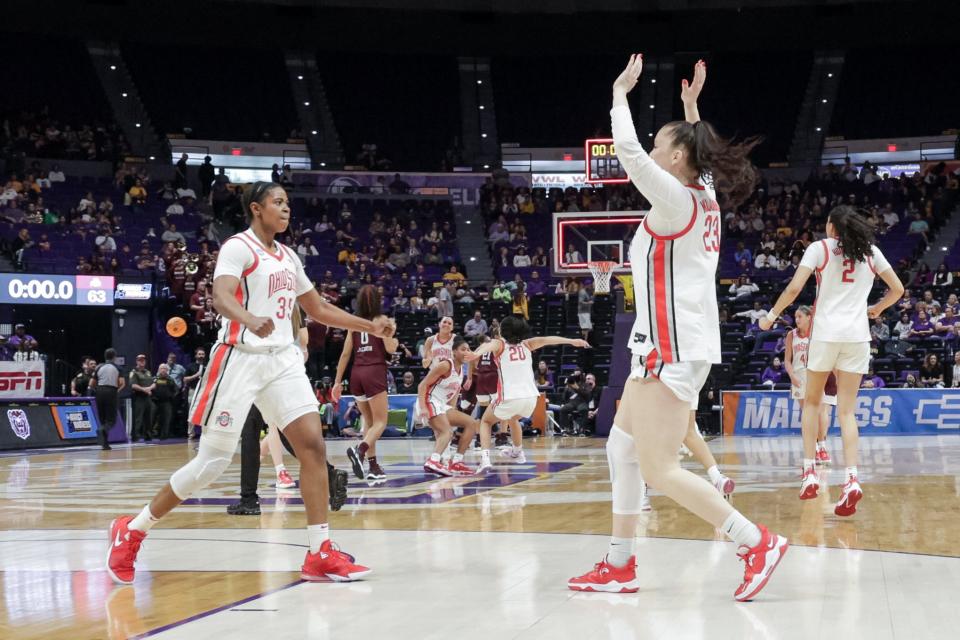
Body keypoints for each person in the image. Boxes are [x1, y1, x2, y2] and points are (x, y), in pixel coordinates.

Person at [570, 57, 787, 601]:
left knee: (660, 468)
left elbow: (627, 155)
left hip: (671, 346)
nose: (653, 147)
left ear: (676, 156)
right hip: (668, 344)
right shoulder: (703, 194)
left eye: (661, 141)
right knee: (620, 449)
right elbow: (705, 162)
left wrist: (619, 93)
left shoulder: (675, 197)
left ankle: (754, 540)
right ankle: (620, 564)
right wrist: (691, 109)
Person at [106, 181, 394, 586]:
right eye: (278, 202)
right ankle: (132, 529)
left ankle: (319, 552)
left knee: (312, 446)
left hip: (282, 360)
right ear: (257, 209)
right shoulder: (237, 247)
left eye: (288, 203)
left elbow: (317, 308)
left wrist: (370, 326)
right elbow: (221, 297)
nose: (286, 209)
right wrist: (247, 317)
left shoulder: (289, 256)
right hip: (240, 360)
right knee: (211, 464)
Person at [760, 205, 904, 515]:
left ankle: (810, 472)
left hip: (825, 334)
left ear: (831, 227)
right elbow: (898, 289)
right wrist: (878, 309)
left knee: (812, 403)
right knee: (847, 412)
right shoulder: (872, 252)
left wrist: (771, 316)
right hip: (857, 337)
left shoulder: (819, 248)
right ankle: (852, 479)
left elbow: (795, 287)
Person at [468, 316, 590, 473]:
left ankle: (485, 459)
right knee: (513, 418)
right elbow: (548, 339)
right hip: (531, 398)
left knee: (485, 421)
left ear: (502, 331)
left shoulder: (500, 345)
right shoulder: (527, 344)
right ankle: (518, 453)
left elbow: (488, 345)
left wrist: (475, 354)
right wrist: (573, 341)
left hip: (510, 396)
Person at [334, 285, 399, 482]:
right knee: (381, 422)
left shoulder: (354, 323)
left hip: (356, 374)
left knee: (369, 423)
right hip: (374, 372)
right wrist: (391, 333)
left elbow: (346, 354)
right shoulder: (383, 321)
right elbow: (390, 349)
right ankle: (360, 450)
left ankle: (373, 466)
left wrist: (337, 382)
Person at [418, 336, 479, 476]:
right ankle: (433, 460)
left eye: (468, 349)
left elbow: (454, 393)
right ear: (454, 352)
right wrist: (423, 407)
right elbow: (422, 385)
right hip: (429, 400)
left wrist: (452, 410)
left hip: (442, 405)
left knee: (471, 423)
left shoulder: (461, 370)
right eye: (463, 349)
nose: (466, 352)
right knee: (447, 432)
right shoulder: (446, 365)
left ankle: (457, 462)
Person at [784, 306, 837, 465]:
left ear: (809, 317)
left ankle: (822, 447)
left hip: (816, 375)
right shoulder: (791, 335)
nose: (797, 319)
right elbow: (787, 360)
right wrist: (792, 375)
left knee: (820, 412)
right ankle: (813, 447)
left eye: (800, 316)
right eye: (796, 317)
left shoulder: (817, 333)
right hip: (798, 378)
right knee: (807, 414)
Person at [89, 348, 125, 450]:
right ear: (114, 357)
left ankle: (105, 444)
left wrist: (98, 390)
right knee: (111, 420)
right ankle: (102, 429)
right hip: (111, 391)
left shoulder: (98, 367)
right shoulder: (118, 368)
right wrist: (115, 391)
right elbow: (121, 383)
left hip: (99, 392)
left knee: (102, 419)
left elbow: (91, 384)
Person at [128, 354, 155, 442]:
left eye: (143, 360)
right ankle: (136, 437)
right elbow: (133, 385)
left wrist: (149, 389)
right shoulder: (134, 372)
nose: (142, 362)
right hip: (138, 397)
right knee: (138, 418)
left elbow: (154, 383)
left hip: (147, 397)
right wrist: (144, 389)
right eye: (140, 360)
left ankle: (148, 436)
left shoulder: (148, 372)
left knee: (149, 417)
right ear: (137, 361)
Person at [182, 348, 206, 440]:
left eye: (202, 354)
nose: (201, 356)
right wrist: (196, 375)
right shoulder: (190, 366)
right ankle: (191, 433)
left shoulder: (207, 366)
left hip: (204, 391)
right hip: (193, 391)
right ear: (196, 355)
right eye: (199, 354)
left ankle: (204, 433)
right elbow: (185, 379)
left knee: (205, 412)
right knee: (191, 412)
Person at [151, 364, 178, 439]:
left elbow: (176, 390)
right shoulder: (154, 379)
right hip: (155, 402)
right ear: (159, 370)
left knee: (166, 419)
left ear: (167, 370)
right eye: (161, 368)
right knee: (151, 418)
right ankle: (150, 435)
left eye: (164, 369)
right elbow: (149, 389)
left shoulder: (170, 380)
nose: (163, 370)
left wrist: (171, 396)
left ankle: (164, 436)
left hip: (166, 402)